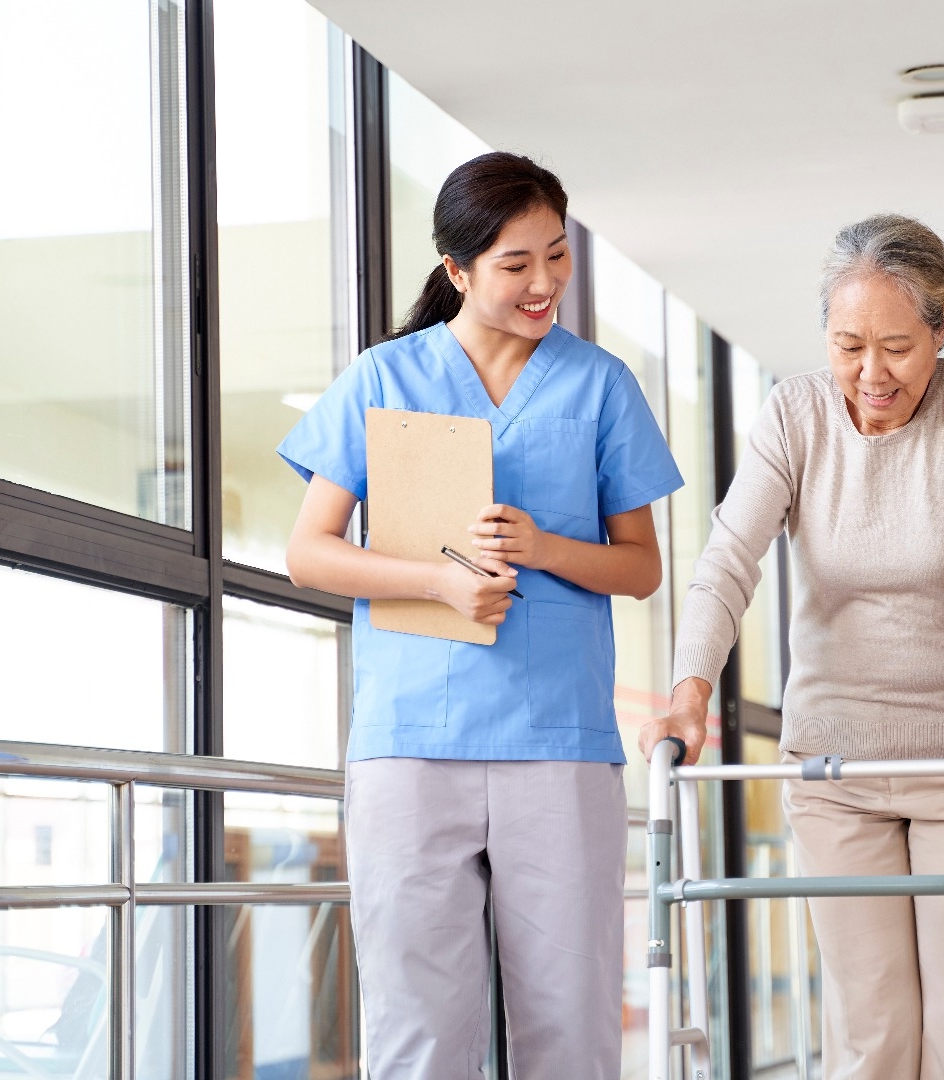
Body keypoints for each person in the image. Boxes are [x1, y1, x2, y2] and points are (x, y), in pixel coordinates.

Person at [641, 213, 944, 1080]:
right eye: (848, 347)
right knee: (872, 1033)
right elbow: (728, 561)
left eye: (896, 348)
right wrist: (689, 697)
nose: (871, 375)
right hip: (834, 769)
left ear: (941, 329)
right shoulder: (795, 415)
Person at [281, 151, 683, 1079]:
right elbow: (309, 553)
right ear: (458, 271)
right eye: (515, 264)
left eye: (556, 256)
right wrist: (438, 582)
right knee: (418, 1028)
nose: (544, 283)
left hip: (560, 742)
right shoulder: (385, 378)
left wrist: (542, 548)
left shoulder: (600, 385)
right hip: (411, 744)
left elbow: (642, 567)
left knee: (571, 1025)